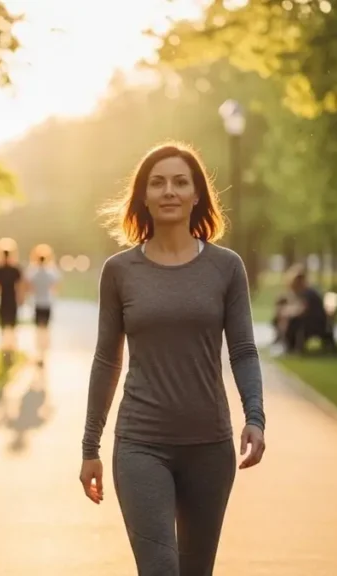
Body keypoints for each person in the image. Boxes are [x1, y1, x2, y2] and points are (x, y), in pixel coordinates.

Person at [79, 142, 266, 576]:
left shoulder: (226, 267)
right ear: (143, 196)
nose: (169, 191)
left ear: (196, 194)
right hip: (141, 444)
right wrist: (90, 447)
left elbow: (242, 349)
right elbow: (107, 360)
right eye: (157, 183)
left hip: (209, 446)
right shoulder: (120, 271)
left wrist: (255, 416)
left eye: (181, 182)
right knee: (160, 569)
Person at [25, 245, 61, 367]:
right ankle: (44, 354)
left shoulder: (33, 272)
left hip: (37, 303)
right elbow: (55, 286)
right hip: (47, 303)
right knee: (45, 330)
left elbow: (29, 287)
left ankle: (39, 353)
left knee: (38, 330)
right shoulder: (51, 272)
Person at [0, 245, 23, 368]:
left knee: (5, 328)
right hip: (9, 301)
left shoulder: (0, 270)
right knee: (10, 328)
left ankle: (7, 351)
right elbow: (19, 287)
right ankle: (9, 351)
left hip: (4, 301)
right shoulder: (13, 270)